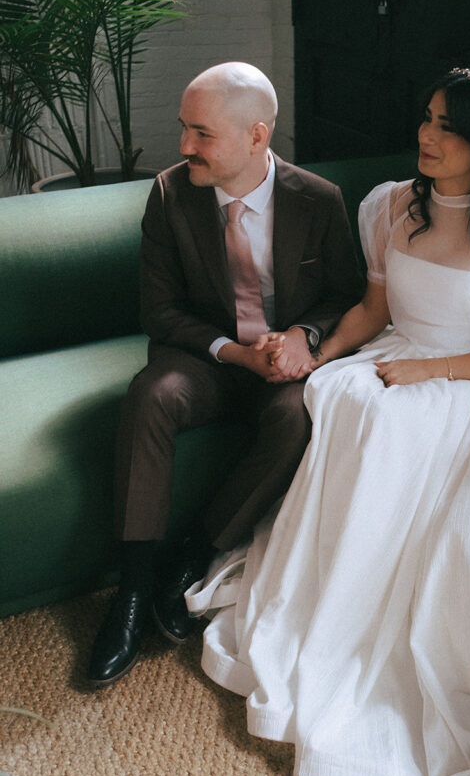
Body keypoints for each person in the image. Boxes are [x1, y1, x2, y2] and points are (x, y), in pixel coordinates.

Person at [186, 66, 470, 776]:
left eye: (447, 127)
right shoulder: (390, 205)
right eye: (427, 118)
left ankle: (373, 631)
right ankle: (319, 596)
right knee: (334, 394)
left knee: (393, 422)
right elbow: (373, 307)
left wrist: (429, 372)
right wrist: (324, 352)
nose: (426, 137)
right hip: (404, 345)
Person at [87, 61, 364, 686]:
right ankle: (132, 591)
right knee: (149, 393)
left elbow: (345, 296)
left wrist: (303, 337)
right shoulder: (169, 194)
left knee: (297, 418)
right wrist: (234, 352)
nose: (185, 146)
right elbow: (158, 312)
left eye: (202, 134)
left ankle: (195, 554)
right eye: (184, 129)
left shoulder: (319, 200)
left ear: (257, 137)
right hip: (206, 360)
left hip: (282, 368)